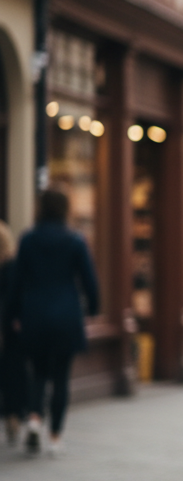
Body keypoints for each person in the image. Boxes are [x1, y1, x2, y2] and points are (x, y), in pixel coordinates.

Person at [5, 191, 100, 456]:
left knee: (38, 372)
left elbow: (16, 283)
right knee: (60, 377)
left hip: (34, 315)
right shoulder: (75, 240)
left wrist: (11, 316)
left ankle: (34, 418)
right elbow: (89, 281)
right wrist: (92, 309)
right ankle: (55, 436)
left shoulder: (28, 240)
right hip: (66, 316)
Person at [0, 220, 25, 446]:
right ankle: (13, 416)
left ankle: (12, 417)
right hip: (10, 329)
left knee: (11, 373)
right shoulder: (13, 266)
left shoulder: (11, 267)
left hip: (8, 329)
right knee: (12, 374)